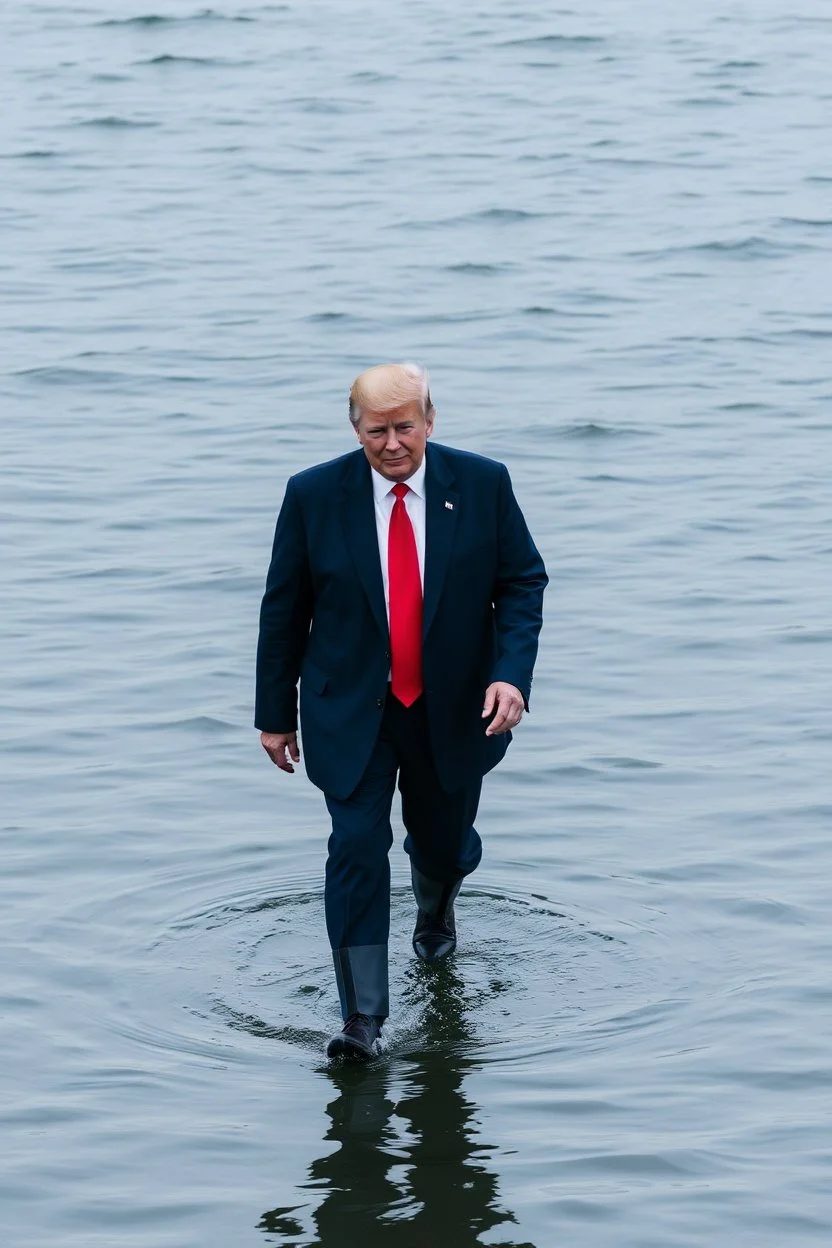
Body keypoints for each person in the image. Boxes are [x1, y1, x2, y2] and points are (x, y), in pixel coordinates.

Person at [255, 363, 547, 1061]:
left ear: (430, 421)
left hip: (454, 706)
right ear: (355, 430)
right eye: (378, 431)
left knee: (443, 843)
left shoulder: (480, 484)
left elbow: (522, 581)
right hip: (349, 709)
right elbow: (284, 608)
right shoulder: (313, 494)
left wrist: (511, 677)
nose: (393, 444)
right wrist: (274, 713)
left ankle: (437, 903)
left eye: (405, 427)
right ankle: (362, 1020)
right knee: (354, 848)